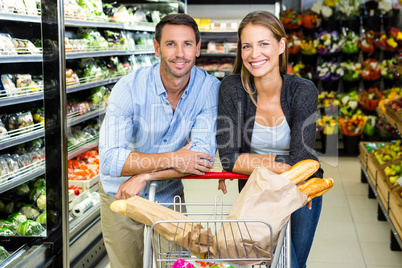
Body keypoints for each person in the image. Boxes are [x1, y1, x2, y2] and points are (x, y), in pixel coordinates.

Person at [99, 13, 220, 268]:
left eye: (187, 44)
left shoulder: (209, 89)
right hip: (120, 193)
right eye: (170, 44)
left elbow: (201, 157)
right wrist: (176, 158)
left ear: (198, 48)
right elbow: (110, 160)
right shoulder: (129, 88)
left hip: (168, 193)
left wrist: (145, 175)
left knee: (174, 264)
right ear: (157, 48)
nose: (180, 53)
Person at [216, 10, 323, 268]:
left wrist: (250, 161)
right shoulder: (232, 89)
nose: (254, 54)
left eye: (264, 43)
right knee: (270, 263)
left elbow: (303, 158)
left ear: (281, 45)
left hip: (303, 191)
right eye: (247, 46)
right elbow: (229, 158)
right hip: (257, 193)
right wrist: (284, 165)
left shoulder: (302, 90)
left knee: (294, 263)